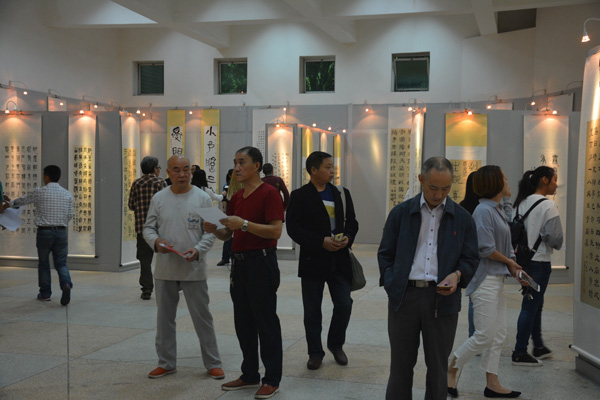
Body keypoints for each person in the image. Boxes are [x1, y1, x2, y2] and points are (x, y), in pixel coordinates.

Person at [378, 156, 479, 400]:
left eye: (446, 188)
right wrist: (392, 283)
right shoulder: (401, 213)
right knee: (400, 366)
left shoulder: (462, 218)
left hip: (443, 298)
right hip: (405, 297)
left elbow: (471, 258)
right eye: (433, 187)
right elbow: (385, 254)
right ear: (421, 180)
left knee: (437, 367)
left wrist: (457, 275)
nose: (439, 194)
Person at [204, 146, 284, 400]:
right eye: (235, 162)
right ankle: (249, 374)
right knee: (243, 323)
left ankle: (272, 379)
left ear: (257, 166)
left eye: (242, 162)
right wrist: (215, 229)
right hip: (238, 265)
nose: (236, 167)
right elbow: (228, 234)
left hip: (261, 263)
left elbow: (275, 231)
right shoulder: (237, 197)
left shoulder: (270, 193)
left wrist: (245, 224)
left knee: (265, 322)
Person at [447, 166, 529, 399]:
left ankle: (492, 383)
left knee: (498, 334)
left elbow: (504, 240)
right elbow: (485, 248)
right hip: (485, 281)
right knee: (484, 334)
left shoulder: (495, 209)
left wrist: (513, 266)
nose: (508, 181)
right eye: (504, 178)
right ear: (495, 182)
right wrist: (510, 263)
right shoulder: (483, 210)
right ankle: (451, 366)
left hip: (497, 278)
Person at [143, 155, 224, 380]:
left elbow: (213, 231)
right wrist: (156, 242)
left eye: (186, 169)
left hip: (193, 267)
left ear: (191, 172)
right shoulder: (159, 198)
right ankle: (166, 363)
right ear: (168, 172)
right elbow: (148, 228)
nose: (182, 174)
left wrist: (198, 250)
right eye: (177, 170)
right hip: (165, 268)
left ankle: (213, 363)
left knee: (202, 317)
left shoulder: (202, 198)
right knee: (164, 319)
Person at [286, 151, 359, 370]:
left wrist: (348, 238)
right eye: (327, 167)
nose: (332, 170)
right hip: (313, 260)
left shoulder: (341, 193)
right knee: (312, 311)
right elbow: (293, 229)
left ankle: (336, 344)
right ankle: (315, 353)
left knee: (344, 305)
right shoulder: (299, 196)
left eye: (332, 166)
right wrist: (320, 242)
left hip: (339, 260)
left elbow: (352, 222)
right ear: (313, 170)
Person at [511, 166, 563, 366]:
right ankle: (520, 351)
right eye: (555, 180)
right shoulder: (548, 205)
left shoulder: (520, 203)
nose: (556, 184)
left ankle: (538, 346)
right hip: (539, 264)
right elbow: (555, 239)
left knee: (535, 304)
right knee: (530, 306)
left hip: (522, 263)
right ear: (544, 180)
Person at [9, 165, 74, 305]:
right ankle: (66, 284)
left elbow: (23, 200)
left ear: (46, 177)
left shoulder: (39, 191)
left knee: (44, 263)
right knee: (61, 263)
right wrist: (60, 223)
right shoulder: (67, 194)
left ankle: (45, 293)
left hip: (44, 232)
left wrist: (10, 203)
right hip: (61, 232)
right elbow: (70, 214)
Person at [128, 156, 167, 300]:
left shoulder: (136, 183)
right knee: (167, 257)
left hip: (142, 229)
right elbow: (167, 204)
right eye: (159, 168)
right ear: (155, 169)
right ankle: (173, 284)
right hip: (160, 229)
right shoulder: (160, 182)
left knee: (144, 261)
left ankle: (146, 289)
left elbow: (131, 205)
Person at [217, 171, 242, 267]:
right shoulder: (227, 186)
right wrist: (224, 210)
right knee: (229, 236)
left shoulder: (244, 186)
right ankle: (226, 258)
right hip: (231, 212)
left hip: (238, 213)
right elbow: (225, 199)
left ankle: (232, 257)